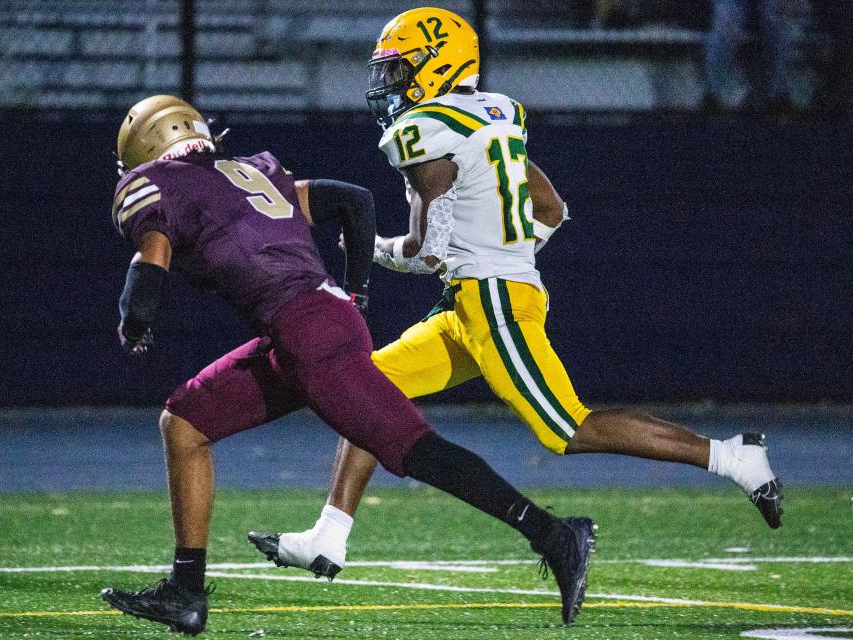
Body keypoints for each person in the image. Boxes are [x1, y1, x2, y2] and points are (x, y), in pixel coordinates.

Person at [249, 6, 783, 587]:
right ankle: (328, 537)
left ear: (438, 64)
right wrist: (507, 254)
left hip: (491, 300)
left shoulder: (420, 131)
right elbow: (551, 208)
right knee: (369, 393)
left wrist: (368, 245)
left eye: (401, 71)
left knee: (567, 429)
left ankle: (734, 457)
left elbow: (426, 253)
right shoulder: (498, 112)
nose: (390, 85)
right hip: (477, 299)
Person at [98, 95, 596, 635]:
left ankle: (552, 533)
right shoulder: (253, 170)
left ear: (147, 147)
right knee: (186, 420)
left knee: (414, 450)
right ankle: (186, 593)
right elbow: (354, 203)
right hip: (307, 326)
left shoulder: (157, 185)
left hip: (308, 333)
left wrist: (136, 321)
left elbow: (152, 256)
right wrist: (354, 293)